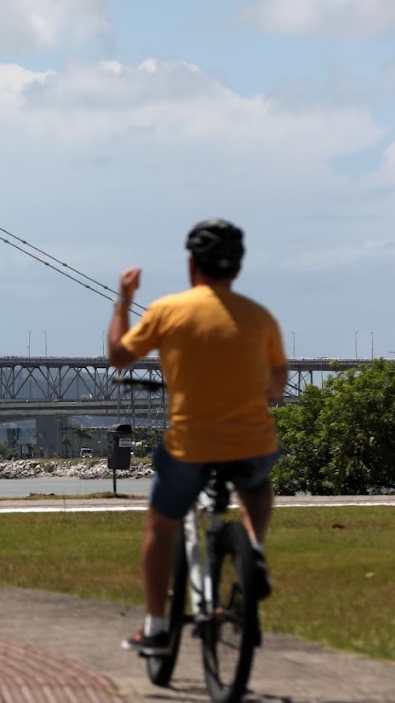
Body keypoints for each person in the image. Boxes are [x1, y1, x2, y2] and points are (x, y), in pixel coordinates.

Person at [107, 218, 287, 655]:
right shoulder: (260, 316)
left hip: (191, 447)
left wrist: (123, 300)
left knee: (160, 525)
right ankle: (254, 550)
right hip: (251, 442)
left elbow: (118, 356)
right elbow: (276, 387)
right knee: (258, 480)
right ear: (237, 269)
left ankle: (154, 628)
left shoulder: (167, 311)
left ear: (192, 265)